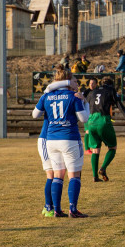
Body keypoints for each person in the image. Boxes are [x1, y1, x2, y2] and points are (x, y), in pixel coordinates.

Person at [32, 65, 90, 218]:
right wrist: (86, 103)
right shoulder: (73, 96)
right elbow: (84, 118)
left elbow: (35, 114)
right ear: (68, 82)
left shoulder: (47, 96)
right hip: (69, 138)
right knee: (74, 175)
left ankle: (56, 209)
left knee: (57, 175)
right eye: (74, 81)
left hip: (51, 139)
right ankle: (72, 209)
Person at [34, 79, 73, 217]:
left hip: (54, 138)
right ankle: (49, 207)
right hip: (46, 138)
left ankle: (54, 207)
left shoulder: (53, 96)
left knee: (57, 174)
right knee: (51, 174)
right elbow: (35, 114)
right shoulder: (49, 95)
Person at [86, 77, 125, 182]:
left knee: (95, 150)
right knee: (112, 148)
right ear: (111, 85)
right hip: (103, 120)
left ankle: (95, 177)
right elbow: (119, 105)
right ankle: (102, 168)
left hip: (91, 121)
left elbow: (87, 103)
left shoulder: (93, 92)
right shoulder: (111, 90)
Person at [82, 78, 98, 155]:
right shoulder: (86, 92)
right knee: (88, 131)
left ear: (96, 84)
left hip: (95, 114)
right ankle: (87, 149)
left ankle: (95, 147)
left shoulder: (98, 92)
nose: (91, 85)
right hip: (88, 114)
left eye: (93, 83)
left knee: (94, 131)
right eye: (90, 83)